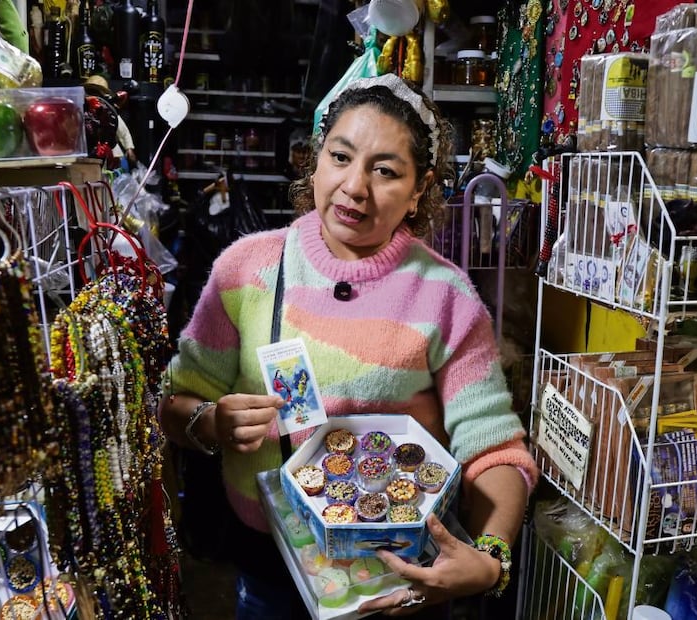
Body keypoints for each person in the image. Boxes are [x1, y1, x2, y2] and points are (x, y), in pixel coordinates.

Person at [159, 73, 537, 618]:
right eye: (340, 157)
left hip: (397, 582)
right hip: (269, 572)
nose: (355, 186)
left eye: (385, 171)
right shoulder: (245, 270)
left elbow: (492, 448)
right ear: (315, 162)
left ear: (419, 191)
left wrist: (490, 556)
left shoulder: (445, 295)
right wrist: (212, 423)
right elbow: (176, 403)